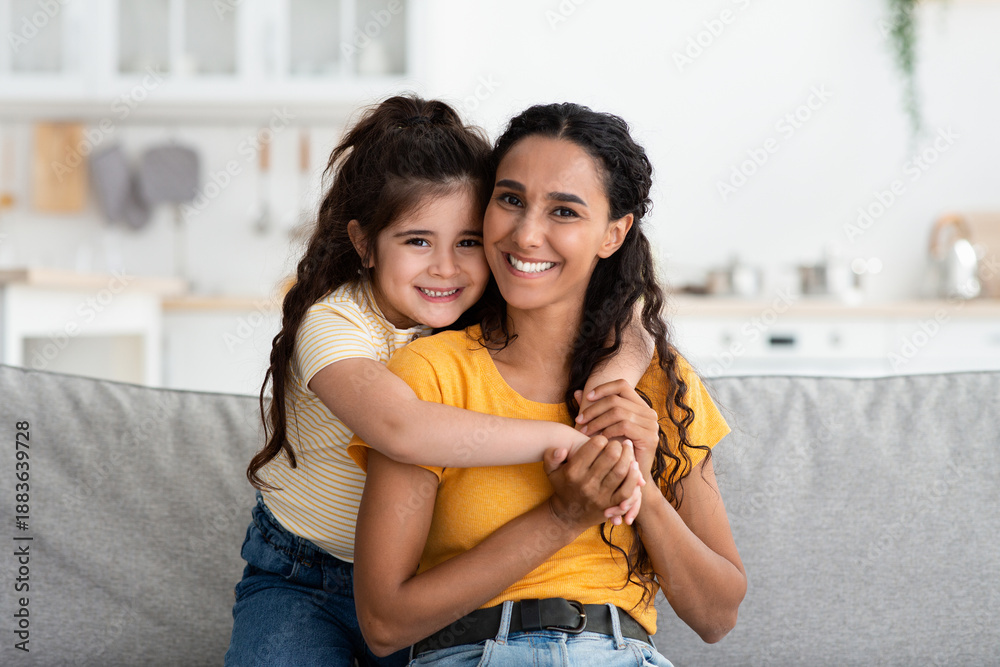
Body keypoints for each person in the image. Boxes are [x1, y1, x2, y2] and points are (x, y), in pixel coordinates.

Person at [225, 96, 654, 667]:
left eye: (468, 242)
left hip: (422, 584)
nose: (446, 268)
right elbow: (400, 427)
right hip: (302, 576)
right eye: (418, 241)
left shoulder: (480, 306)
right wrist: (567, 441)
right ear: (363, 244)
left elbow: (630, 320)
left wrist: (613, 388)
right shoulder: (335, 325)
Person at [350, 102, 747, 666]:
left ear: (614, 233)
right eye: (510, 200)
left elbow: (717, 615)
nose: (527, 234)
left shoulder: (660, 382)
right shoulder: (431, 375)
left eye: (564, 211)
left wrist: (639, 484)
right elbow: (384, 623)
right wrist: (563, 517)